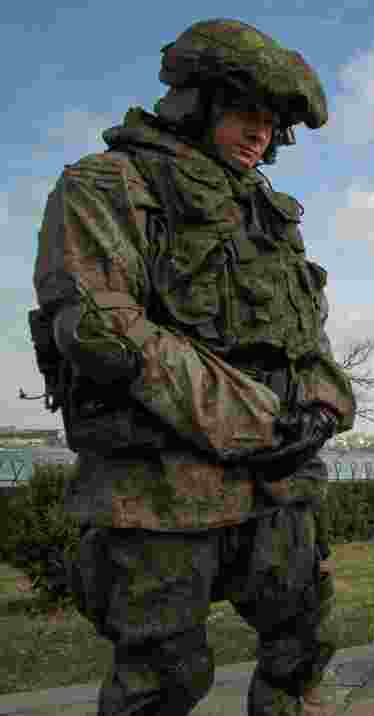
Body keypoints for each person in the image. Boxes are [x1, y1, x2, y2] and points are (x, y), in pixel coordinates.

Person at [29, 19, 354, 716]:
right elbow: (105, 328)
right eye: (247, 115)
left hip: (277, 492)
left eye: (273, 126)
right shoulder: (109, 185)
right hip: (162, 496)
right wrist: (265, 421)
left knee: (301, 654)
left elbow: (309, 335)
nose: (261, 137)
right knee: (161, 681)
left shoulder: (267, 213)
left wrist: (325, 408)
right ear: (196, 101)